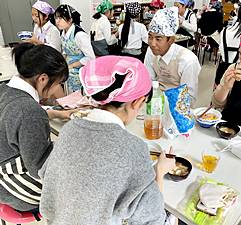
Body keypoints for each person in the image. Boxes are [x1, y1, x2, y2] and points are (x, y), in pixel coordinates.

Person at [39, 56, 176, 225]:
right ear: (138, 101)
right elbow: (153, 219)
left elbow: (48, 175)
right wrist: (160, 173)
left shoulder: (69, 130)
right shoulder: (133, 148)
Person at [0, 43, 71, 212]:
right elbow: (39, 168)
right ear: (43, 79)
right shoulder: (30, 112)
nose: (56, 91)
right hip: (12, 188)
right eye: (58, 84)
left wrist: (55, 113)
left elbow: (15, 118)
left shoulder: (5, 89)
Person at [144, 7, 201, 107]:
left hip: (178, 107)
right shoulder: (151, 51)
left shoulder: (187, 60)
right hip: (156, 102)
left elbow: (189, 97)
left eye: (158, 39)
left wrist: (166, 102)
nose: (152, 44)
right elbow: (149, 81)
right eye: (150, 37)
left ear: (171, 40)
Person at [214, 0, 241, 87]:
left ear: (238, 13)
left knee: (218, 97)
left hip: (223, 69)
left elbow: (220, 51)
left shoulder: (225, 31)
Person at [55, 4, 95, 93]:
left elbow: (91, 58)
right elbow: (65, 51)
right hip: (69, 71)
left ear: (70, 20)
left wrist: (71, 66)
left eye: (60, 18)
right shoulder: (63, 33)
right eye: (56, 18)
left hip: (80, 72)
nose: (57, 21)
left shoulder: (79, 35)